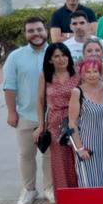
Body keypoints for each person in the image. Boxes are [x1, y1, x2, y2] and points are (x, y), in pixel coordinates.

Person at [3, 17, 53, 204]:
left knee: (49, 154)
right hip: (25, 114)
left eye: (39, 29)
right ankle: (29, 189)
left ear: (45, 30)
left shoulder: (55, 52)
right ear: (25, 34)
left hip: (51, 115)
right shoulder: (16, 57)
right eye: (31, 31)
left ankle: (50, 187)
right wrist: (11, 112)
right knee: (26, 154)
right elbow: (9, 87)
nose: (36, 34)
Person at [67, 58, 103, 187]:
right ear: (82, 74)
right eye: (88, 72)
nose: (92, 75)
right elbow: (72, 123)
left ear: (100, 73)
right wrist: (79, 148)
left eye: (95, 71)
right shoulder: (77, 92)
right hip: (87, 143)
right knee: (89, 181)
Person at [35, 43, 79, 191]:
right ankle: (65, 196)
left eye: (64, 55)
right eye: (57, 56)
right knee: (60, 161)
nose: (61, 59)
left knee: (78, 156)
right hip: (55, 122)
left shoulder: (77, 72)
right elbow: (40, 101)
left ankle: (82, 192)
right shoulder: (45, 75)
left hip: (76, 120)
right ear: (50, 60)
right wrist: (41, 125)